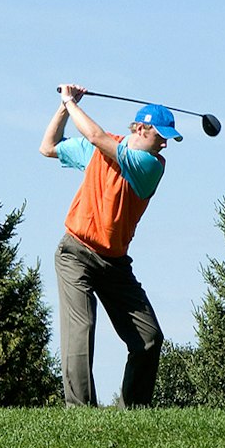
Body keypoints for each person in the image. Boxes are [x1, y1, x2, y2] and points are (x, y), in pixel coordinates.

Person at [39, 84, 178, 407]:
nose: (165, 143)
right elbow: (48, 147)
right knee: (81, 331)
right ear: (142, 129)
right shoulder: (102, 150)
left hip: (115, 264)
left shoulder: (151, 166)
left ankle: (135, 412)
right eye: (161, 135)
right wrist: (63, 108)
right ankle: (81, 413)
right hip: (75, 253)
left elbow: (96, 138)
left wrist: (70, 102)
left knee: (148, 338)